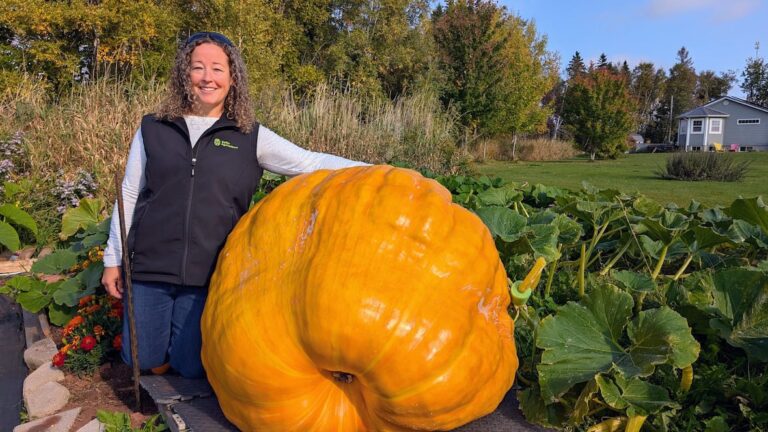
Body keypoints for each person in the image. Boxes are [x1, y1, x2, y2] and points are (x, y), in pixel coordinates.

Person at [101, 31, 367, 378]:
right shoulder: (154, 128)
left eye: (217, 69)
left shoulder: (250, 136)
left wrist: (377, 170)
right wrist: (112, 259)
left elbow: (308, 162)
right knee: (143, 357)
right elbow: (130, 193)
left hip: (210, 271)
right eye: (197, 68)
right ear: (185, 75)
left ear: (232, 78)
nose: (207, 77)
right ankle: (156, 369)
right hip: (151, 264)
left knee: (192, 366)